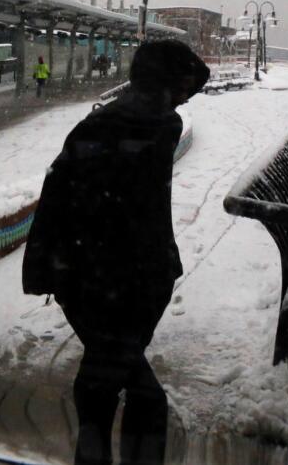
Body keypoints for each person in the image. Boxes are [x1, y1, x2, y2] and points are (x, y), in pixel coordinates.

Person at [23, 40, 210, 465]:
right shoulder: (146, 128)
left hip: (107, 278)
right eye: (182, 87)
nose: (187, 96)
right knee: (135, 393)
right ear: (160, 82)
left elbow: (66, 191)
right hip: (109, 281)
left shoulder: (136, 125)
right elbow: (85, 202)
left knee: (104, 378)